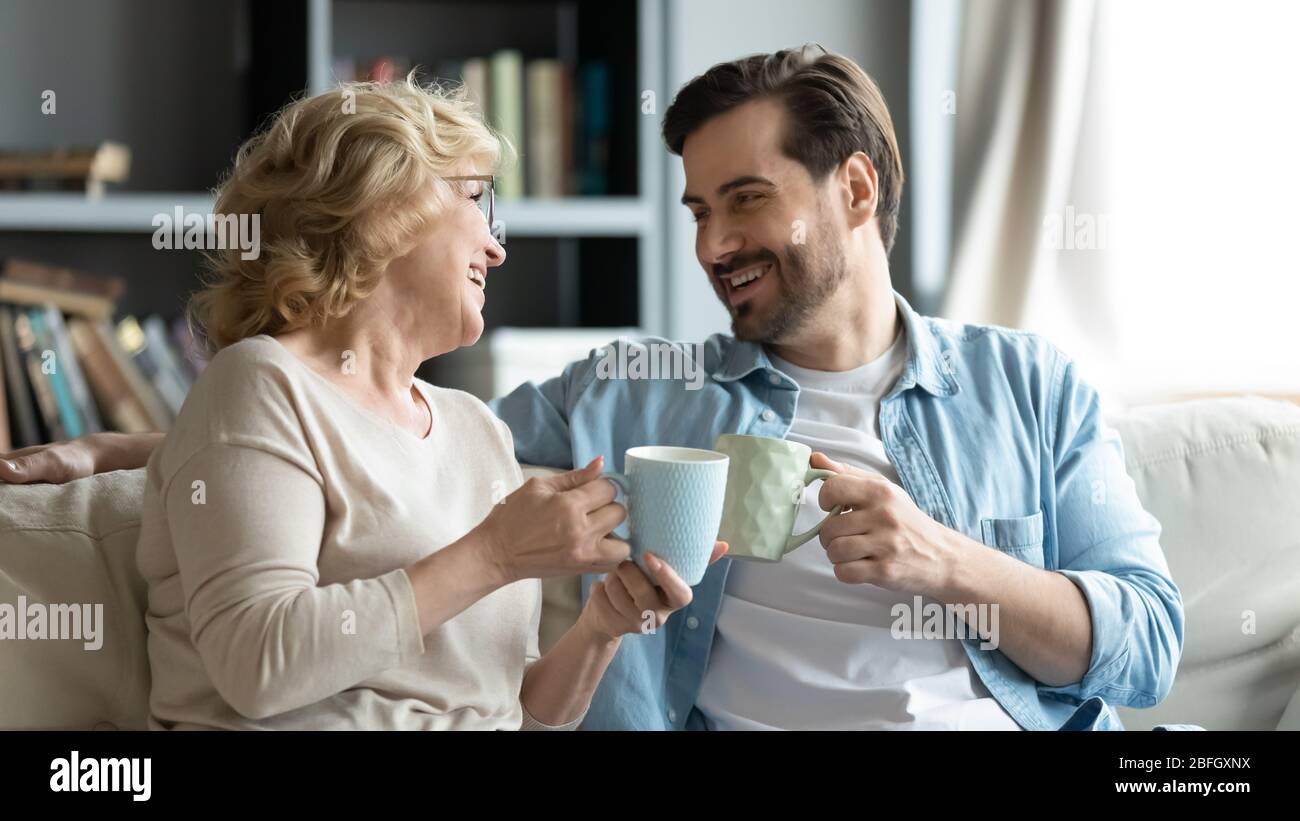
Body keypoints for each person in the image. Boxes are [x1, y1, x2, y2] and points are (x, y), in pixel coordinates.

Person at [3, 46, 1182, 731]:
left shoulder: (1029, 385)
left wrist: (948, 563)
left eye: (746, 200)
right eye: (695, 209)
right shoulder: (635, 394)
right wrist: (121, 450)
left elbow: (1145, 649)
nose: (712, 244)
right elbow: (352, 433)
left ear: (856, 191)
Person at [0, 77, 722, 730]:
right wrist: (496, 553)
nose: (498, 249)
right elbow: (260, 664)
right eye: (475, 199)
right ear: (386, 203)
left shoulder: (475, 430)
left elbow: (518, 713)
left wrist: (600, 627)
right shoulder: (258, 383)